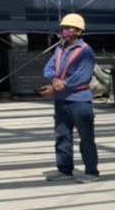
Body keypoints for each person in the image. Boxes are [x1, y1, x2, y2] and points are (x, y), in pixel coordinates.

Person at [41, 12, 100, 183]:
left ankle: (91, 171)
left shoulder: (85, 51)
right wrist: (54, 79)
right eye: (63, 28)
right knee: (62, 136)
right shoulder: (60, 49)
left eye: (69, 28)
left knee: (86, 138)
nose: (65, 31)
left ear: (78, 31)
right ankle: (64, 169)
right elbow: (49, 67)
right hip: (62, 100)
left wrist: (57, 86)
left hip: (79, 101)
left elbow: (82, 76)